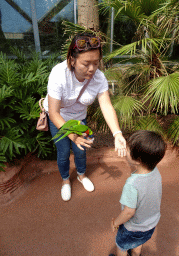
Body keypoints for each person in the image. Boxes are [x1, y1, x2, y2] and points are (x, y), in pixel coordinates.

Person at [43, 32, 126, 201]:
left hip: (79, 119)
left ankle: (81, 175)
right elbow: (53, 113)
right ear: (72, 60)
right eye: (86, 63)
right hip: (59, 118)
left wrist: (117, 134)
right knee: (64, 151)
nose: (92, 69)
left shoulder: (99, 78)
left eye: (96, 63)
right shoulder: (58, 74)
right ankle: (66, 180)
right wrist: (73, 136)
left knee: (81, 151)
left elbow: (106, 105)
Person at [109, 130, 167, 256]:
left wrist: (116, 222)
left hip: (132, 228)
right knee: (137, 244)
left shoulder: (132, 185)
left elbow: (129, 212)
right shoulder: (155, 171)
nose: (126, 151)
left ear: (138, 160)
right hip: (150, 225)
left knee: (122, 246)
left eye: (128, 150)